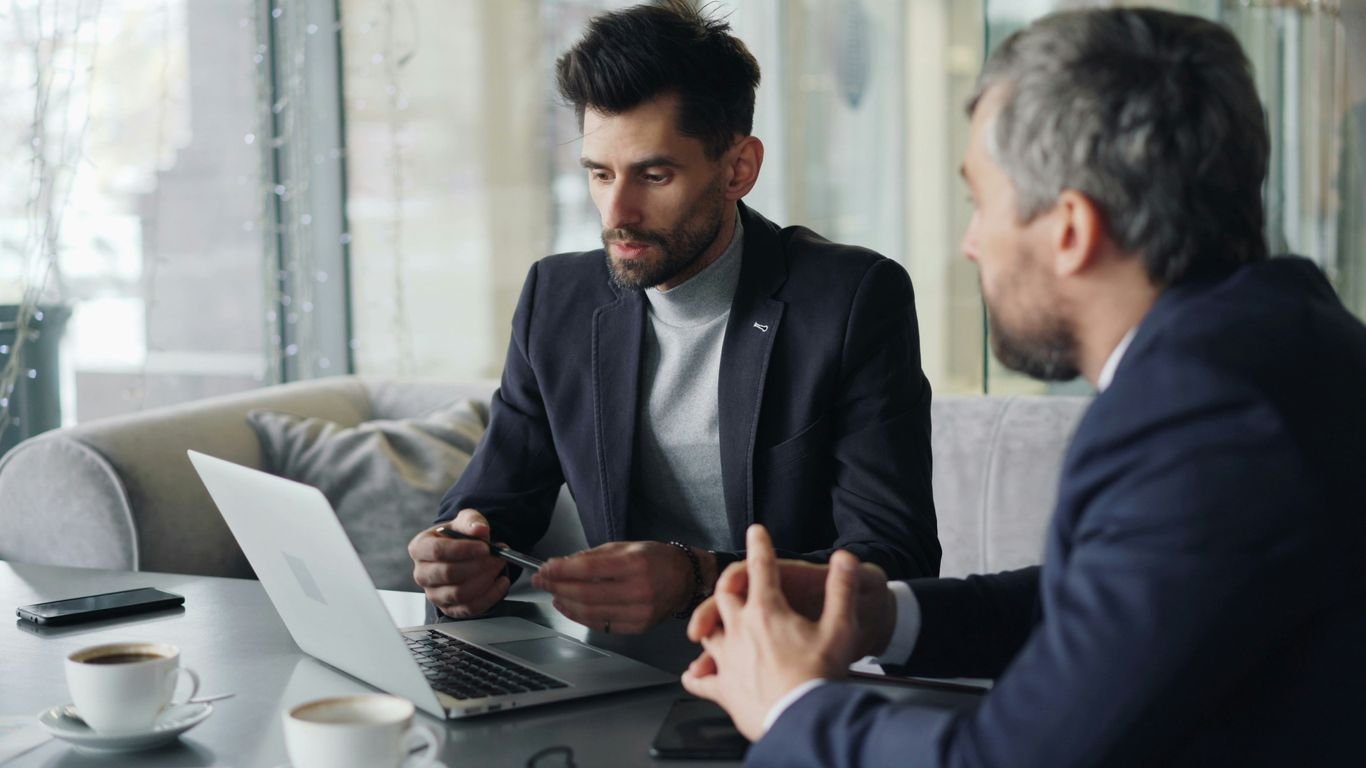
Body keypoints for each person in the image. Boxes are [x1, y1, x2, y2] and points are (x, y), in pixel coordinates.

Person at [682, 7, 1366, 765]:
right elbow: (1118, 614)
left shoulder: (1210, 417)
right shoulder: (1278, 343)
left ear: (1070, 228)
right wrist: (884, 617)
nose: (971, 245)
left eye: (981, 201)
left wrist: (788, 706)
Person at [407, 0, 939, 635]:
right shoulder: (557, 298)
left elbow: (895, 563)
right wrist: (456, 551)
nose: (617, 212)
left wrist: (698, 577)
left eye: (653, 175)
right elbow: (492, 504)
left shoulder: (851, 300)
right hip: (610, 669)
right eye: (599, 174)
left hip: (791, 669)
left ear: (738, 169)